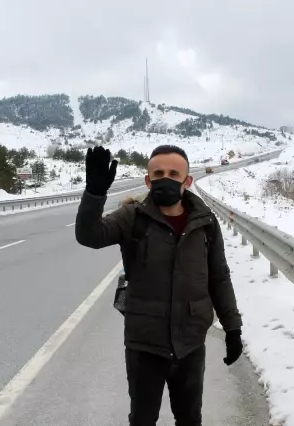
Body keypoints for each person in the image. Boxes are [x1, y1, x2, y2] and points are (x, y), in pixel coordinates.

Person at [75, 144, 243, 426]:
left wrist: (232, 327)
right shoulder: (132, 217)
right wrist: (94, 194)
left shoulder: (205, 223)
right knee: (142, 419)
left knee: (190, 418)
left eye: (174, 173)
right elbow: (89, 235)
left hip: (190, 342)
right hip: (145, 344)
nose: (166, 178)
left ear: (187, 180)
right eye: (158, 173)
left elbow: (219, 277)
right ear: (148, 180)